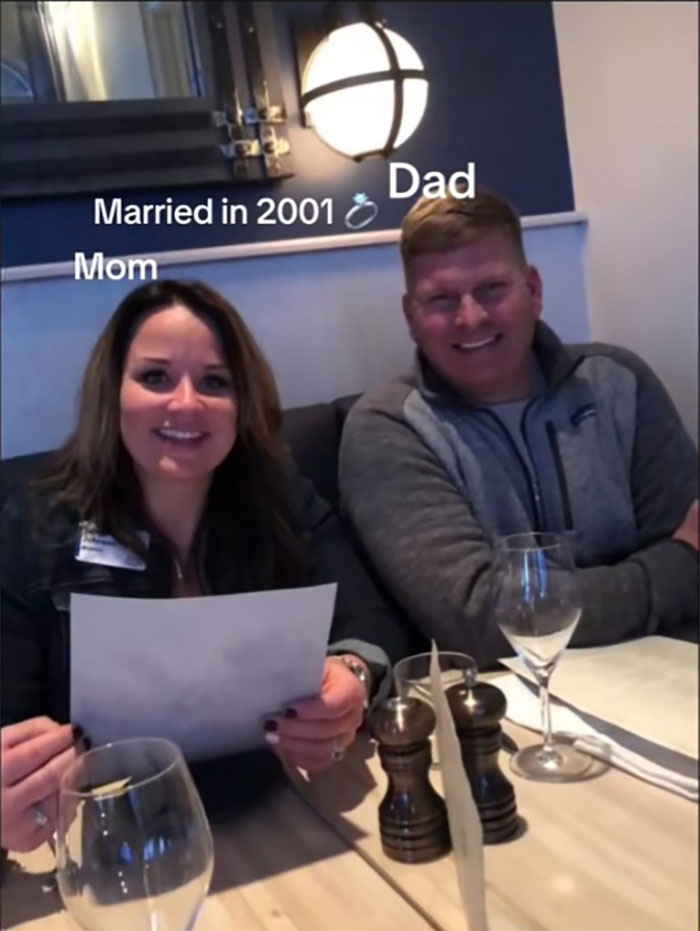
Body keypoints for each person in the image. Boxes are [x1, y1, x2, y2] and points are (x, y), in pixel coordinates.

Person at [1, 279, 407, 854]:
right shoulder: (36, 525)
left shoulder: (281, 497)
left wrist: (352, 677)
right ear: (111, 393)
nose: (187, 403)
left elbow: (371, 619)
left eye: (215, 382)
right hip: (111, 844)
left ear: (242, 403)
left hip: (285, 818)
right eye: (155, 377)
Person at [339, 187, 698, 667]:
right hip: (503, 709)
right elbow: (480, 623)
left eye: (492, 289)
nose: (470, 318)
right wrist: (674, 567)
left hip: (664, 670)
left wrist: (682, 563)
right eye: (441, 300)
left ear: (533, 290)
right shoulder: (386, 429)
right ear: (411, 316)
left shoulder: (619, 382)